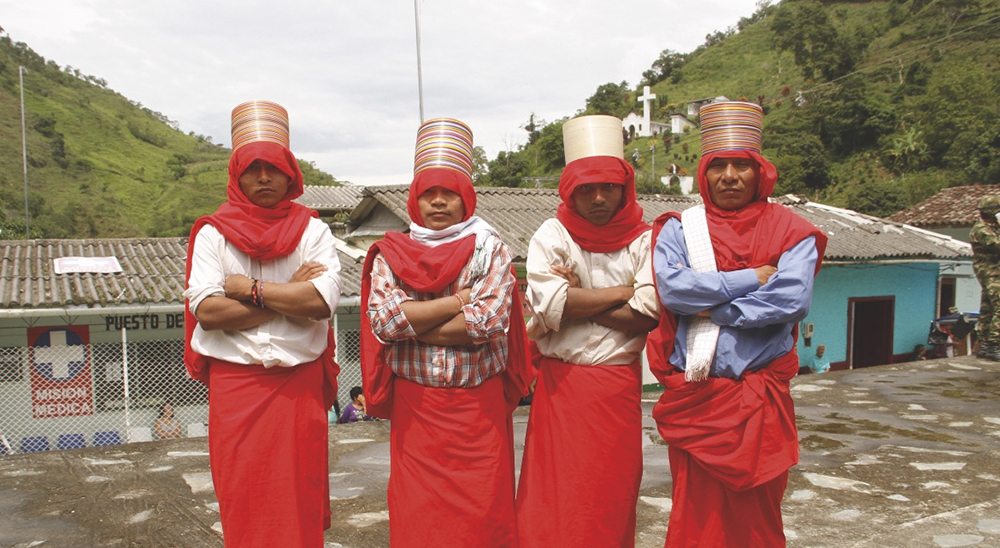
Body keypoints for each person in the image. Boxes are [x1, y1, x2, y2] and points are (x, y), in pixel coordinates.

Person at [647, 101, 827, 547]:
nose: (729, 176)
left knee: (757, 521)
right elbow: (674, 290)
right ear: (703, 173)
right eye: (718, 165)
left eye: (741, 165)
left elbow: (791, 298)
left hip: (759, 399)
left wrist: (719, 309)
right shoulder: (680, 229)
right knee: (697, 517)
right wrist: (750, 277)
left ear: (760, 171)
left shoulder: (791, 230)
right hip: (699, 399)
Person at [360, 118, 531, 548]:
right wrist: (456, 302)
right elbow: (382, 321)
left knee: (483, 519)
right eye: (428, 193)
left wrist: (413, 320)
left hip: (479, 412)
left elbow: (489, 322)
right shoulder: (391, 251)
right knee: (421, 521)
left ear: (466, 197)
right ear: (414, 200)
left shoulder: (490, 248)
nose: (438, 202)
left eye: (448, 192)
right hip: (417, 413)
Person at [183, 100, 341, 548]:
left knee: (298, 496)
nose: (264, 178)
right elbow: (209, 313)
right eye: (252, 169)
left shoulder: (313, 231)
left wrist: (248, 290)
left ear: (291, 174)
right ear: (237, 175)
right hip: (236, 389)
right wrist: (285, 291)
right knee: (243, 497)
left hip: (296, 386)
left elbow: (317, 301)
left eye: (273, 168)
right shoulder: (213, 233)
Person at [515, 114, 660, 548]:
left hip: (616, 389)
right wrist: (621, 291)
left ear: (624, 187)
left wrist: (580, 297)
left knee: (608, 502)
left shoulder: (645, 238)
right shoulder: (552, 234)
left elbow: (648, 313)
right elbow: (549, 302)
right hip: (561, 391)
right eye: (586, 188)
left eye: (608, 187)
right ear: (569, 190)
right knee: (554, 502)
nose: (598, 198)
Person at [970, 196, 1000, 361]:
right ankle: (994, 345)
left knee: (988, 308)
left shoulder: (990, 227)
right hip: (991, 272)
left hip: (992, 272)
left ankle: (985, 345)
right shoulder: (982, 229)